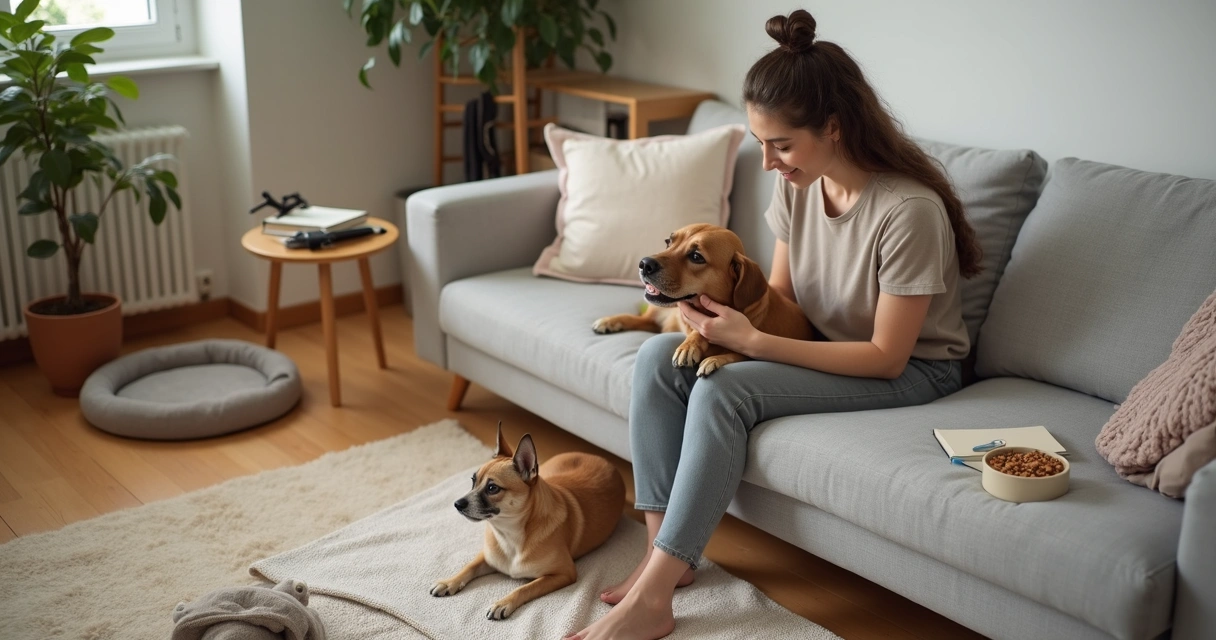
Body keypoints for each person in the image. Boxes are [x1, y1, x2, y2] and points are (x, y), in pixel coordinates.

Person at [563, 8, 981, 640]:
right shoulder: (797, 185)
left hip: (915, 371)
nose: (768, 162)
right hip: (819, 345)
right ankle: (662, 558)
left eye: (781, 145)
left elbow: (888, 358)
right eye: (761, 143)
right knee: (655, 358)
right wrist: (714, 322)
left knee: (726, 388)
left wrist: (752, 345)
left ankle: (651, 598)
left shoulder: (908, 213)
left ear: (834, 128)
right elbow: (780, 295)